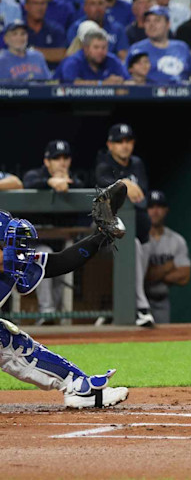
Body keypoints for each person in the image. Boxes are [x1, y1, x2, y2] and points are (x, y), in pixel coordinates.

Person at [0, 195, 129, 408]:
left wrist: (101, 236)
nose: (17, 252)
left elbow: (60, 262)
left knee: (8, 339)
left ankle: (78, 386)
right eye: (6, 245)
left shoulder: (9, 267)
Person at [94, 123, 155, 327]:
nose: (124, 146)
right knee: (133, 249)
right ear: (110, 145)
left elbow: (142, 194)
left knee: (138, 268)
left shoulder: (137, 164)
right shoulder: (104, 164)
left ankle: (121, 309)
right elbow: (102, 182)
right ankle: (141, 308)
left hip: (142, 230)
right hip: (114, 234)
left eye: (128, 141)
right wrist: (124, 183)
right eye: (119, 142)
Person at [21, 139, 84, 324]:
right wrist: (50, 181)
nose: (62, 162)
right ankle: (47, 312)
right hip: (34, 243)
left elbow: (83, 191)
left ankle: (51, 316)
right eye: (57, 158)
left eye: (65, 157)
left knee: (63, 265)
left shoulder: (74, 181)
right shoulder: (36, 175)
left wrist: (68, 186)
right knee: (45, 256)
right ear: (47, 161)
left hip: (63, 242)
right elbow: (27, 182)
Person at [142, 190, 191, 324]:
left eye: (159, 207)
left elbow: (184, 276)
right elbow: (144, 275)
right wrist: (168, 267)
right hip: (140, 302)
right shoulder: (139, 240)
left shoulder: (176, 240)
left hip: (162, 301)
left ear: (166, 210)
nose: (155, 211)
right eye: (151, 207)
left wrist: (155, 272)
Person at [129, 5, 191, 84]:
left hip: (182, 93)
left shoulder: (182, 47)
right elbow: (126, 78)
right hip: (149, 94)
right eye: (148, 21)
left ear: (168, 24)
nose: (151, 25)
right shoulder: (136, 49)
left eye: (157, 20)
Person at [66, 0, 130, 60]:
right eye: (93, 4)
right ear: (85, 7)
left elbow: (123, 56)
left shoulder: (117, 29)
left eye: (100, 3)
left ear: (106, 6)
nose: (97, 8)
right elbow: (72, 54)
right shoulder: (76, 28)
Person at [54, 27, 129, 84]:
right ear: (86, 49)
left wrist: (121, 82)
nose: (100, 51)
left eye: (104, 47)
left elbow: (129, 81)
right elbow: (73, 83)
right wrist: (102, 84)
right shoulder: (72, 62)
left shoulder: (112, 60)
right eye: (96, 47)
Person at [22, 0, 65, 67]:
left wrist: (31, 51)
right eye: (35, 3)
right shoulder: (19, 30)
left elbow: (62, 54)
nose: (39, 8)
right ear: (26, 6)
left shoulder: (56, 29)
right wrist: (49, 54)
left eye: (42, 3)